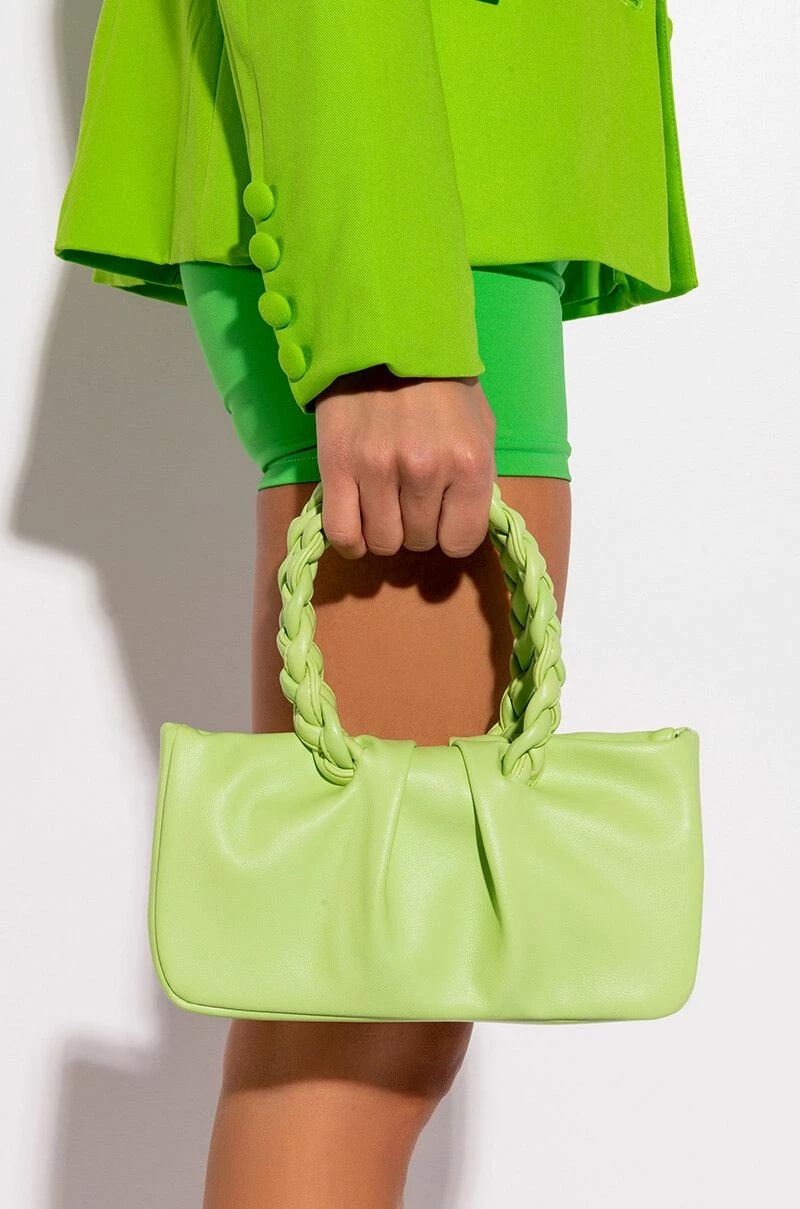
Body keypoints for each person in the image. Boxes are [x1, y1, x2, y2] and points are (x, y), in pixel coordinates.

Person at [53, 1, 699, 1205]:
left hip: (444, 182)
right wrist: (384, 333)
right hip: (408, 192)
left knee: (374, 1008)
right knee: (358, 1024)